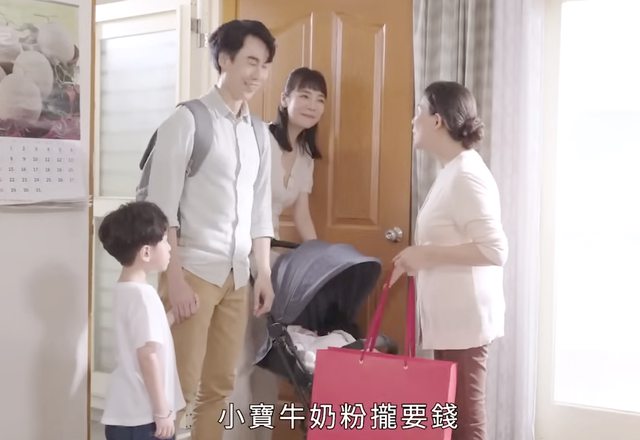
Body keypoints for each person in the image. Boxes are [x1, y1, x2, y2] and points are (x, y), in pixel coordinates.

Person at [142, 19, 277, 440]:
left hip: (238, 276)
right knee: (177, 390)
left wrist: (264, 273)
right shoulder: (187, 121)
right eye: (251, 61)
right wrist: (174, 279)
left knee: (219, 387)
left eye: (265, 65)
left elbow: (261, 211)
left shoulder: (259, 134)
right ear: (225, 59)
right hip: (193, 272)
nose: (258, 74)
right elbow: (161, 211)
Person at [391, 81, 508, 440]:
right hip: (452, 319)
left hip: (465, 321)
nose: (413, 121)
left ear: (437, 120)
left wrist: (425, 254)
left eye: (418, 112)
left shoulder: (466, 175)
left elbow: (495, 250)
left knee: (465, 421)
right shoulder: (453, 171)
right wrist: (414, 259)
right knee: (453, 420)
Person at [224, 67, 328, 440]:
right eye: (304, 95)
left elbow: (301, 215)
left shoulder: (305, 155)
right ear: (285, 99)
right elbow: (241, 203)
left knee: (270, 356)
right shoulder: (260, 139)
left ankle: (261, 435)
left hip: (273, 260)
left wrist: (320, 259)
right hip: (240, 255)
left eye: (320, 99)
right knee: (240, 358)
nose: (312, 105)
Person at [99, 201, 185, 440]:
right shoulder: (143, 296)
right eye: (165, 241)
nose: (170, 247)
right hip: (144, 418)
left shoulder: (123, 289)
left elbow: (140, 335)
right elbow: (147, 355)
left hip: (126, 415)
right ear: (146, 252)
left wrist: (170, 317)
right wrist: (161, 411)